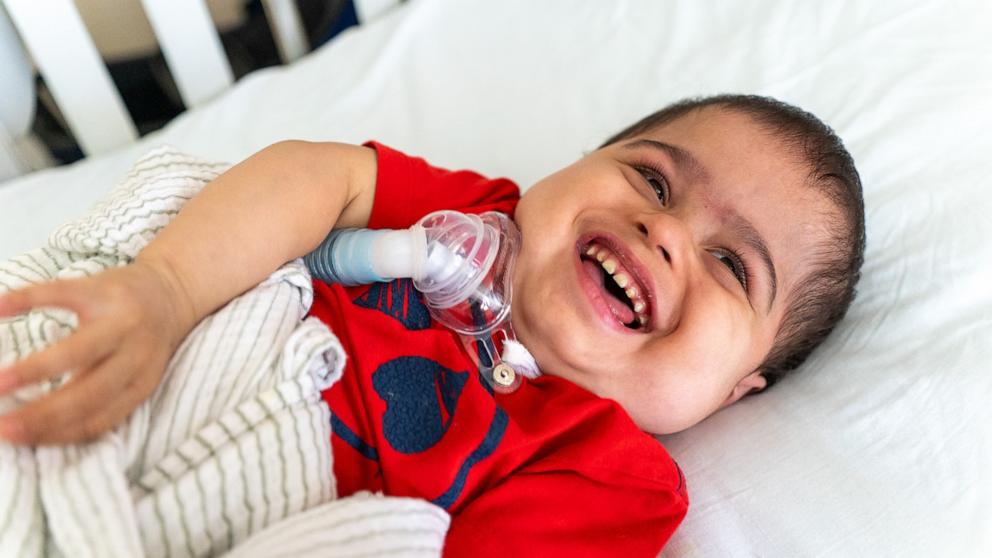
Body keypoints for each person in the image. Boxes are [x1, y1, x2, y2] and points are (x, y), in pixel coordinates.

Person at [0, 94, 865, 555]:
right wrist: (166, 288)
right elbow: (318, 177)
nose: (666, 232)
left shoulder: (613, 476)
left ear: (736, 390)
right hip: (135, 370)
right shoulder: (469, 213)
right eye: (653, 180)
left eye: (731, 266)